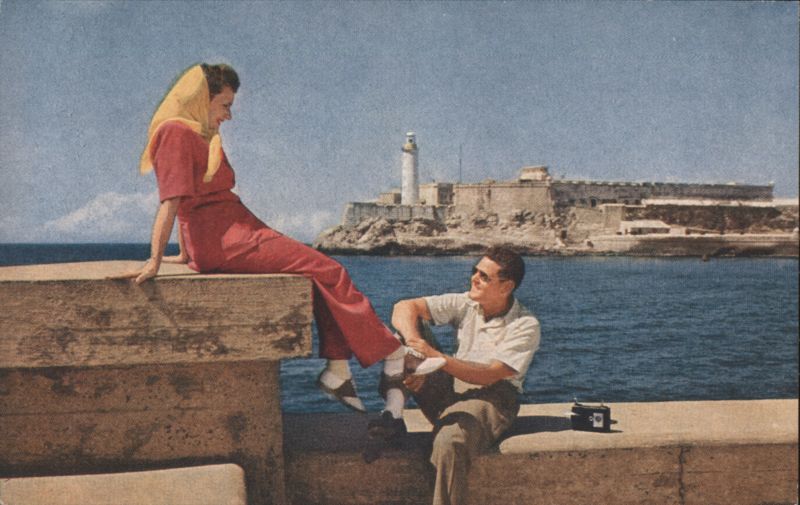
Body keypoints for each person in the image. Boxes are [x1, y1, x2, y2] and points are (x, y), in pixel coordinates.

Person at [118, 63, 444, 416]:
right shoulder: (178, 133)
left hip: (232, 231)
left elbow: (189, 201)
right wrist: (155, 259)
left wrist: (185, 254)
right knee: (330, 270)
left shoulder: (199, 131)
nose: (228, 115)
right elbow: (172, 200)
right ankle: (394, 353)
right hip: (228, 238)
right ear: (202, 98)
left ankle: (338, 369)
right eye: (224, 105)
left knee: (318, 275)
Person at [380, 246, 540, 505]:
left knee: (449, 441)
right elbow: (404, 306)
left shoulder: (525, 324)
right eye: (475, 271)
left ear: (506, 286)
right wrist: (415, 349)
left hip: (494, 397)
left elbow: (490, 375)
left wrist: (436, 359)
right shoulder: (468, 303)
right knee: (402, 336)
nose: (474, 279)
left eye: (484, 277)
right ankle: (394, 415)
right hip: (453, 384)